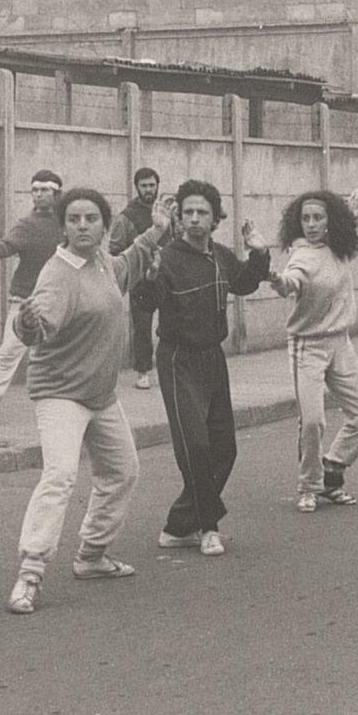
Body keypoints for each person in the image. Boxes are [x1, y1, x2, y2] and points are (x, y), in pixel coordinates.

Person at [3, 186, 176, 615]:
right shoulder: (57, 273)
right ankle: (29, 573)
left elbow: (126, 264)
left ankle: (93, 555)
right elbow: (39, 323)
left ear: (103, 224)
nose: (83, 226)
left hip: (99, 393)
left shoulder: (100, 262)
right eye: (75, 220)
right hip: (61, 392)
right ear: (63, 227)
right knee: (60, 475)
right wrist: (28, 324)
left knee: (122, 471)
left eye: (91, 219)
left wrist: (155, 231)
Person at [139, 179, 273, 557]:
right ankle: (208, 527)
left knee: (224, 449)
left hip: (213, 359)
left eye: (203, 213)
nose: (195, 219)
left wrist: (259, 253)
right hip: (178, 359)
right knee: (194, 445)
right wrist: (149, 277)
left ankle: (179, 525)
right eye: (188, 213)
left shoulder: (221, 255)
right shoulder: (167, 257)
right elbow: (146, 303)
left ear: (215, 219)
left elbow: (245, 284)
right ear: (178, 218)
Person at [267, 186, 358, 514]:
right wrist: (276, 281)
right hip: (308, 346)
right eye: (305, 219)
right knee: (313, 421)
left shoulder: (342, 248)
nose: (311, 224)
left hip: (340, 343)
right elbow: (291, 282)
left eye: (318, 217)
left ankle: (333, 470)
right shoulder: (301, 255)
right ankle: (309, 486)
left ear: (330, 220)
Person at [0, 169, 64, 425]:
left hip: (59, 300)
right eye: (34, 190)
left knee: (62, 354)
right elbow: (4, 248)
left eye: (44, 190)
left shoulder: (68, 223)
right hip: (25, 299)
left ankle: (70, 407)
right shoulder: (26, 225)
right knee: (9, 350)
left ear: (57, 193)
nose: (38, 194)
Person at [107, 167, 164, 391]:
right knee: (142, 326)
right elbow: (115, 249)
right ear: (137, 188)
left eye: (152, 185)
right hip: (141, 280)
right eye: (144, 186)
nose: (149, 190)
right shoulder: (126, 217)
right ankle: (142, 371)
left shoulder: (166, 211)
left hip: (167, 276)